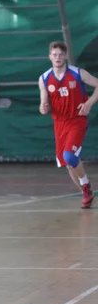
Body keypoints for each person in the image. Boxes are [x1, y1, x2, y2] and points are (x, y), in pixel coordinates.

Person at [39, 41, 97, 209]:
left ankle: (86, 185)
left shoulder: (78, 73)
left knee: (70, 157)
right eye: (54, 54)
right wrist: (43, 107)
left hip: (77, 120)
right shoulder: (44, 79)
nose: (57, 57)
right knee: (68, 163)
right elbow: (44, 105)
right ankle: (87, 193)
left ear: (65, 56)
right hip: (59, 123)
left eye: (60, 54)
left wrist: (89, 103)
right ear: (50, 56)